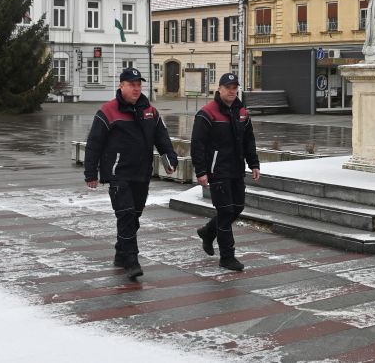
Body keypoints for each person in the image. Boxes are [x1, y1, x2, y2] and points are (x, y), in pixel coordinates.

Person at [84, 67, 178, 280]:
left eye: (138, 85)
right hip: (118, 174)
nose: (136, 89)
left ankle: (121, 250)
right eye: (131, 85)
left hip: (141, 173)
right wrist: (91, 173)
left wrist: (170, 159)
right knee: (125, 214)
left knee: (134, 216)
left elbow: (162, 138)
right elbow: (94, 144)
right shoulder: (108, 111)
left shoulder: (150, 112)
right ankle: (131, 260)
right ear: (121, 86)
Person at [191, 73, 260, 271]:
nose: (232, 91)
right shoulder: (207, 113)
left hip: (236, 169)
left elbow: (249, 140)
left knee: (237, 207)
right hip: (217, 170)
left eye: (234, 87)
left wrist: (254, 163)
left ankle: (208, 231)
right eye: (228, 87)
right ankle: (227, 257)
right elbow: (198, 145)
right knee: (226, 211)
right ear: (219, 89)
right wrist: (201, 171)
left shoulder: (242, 112)